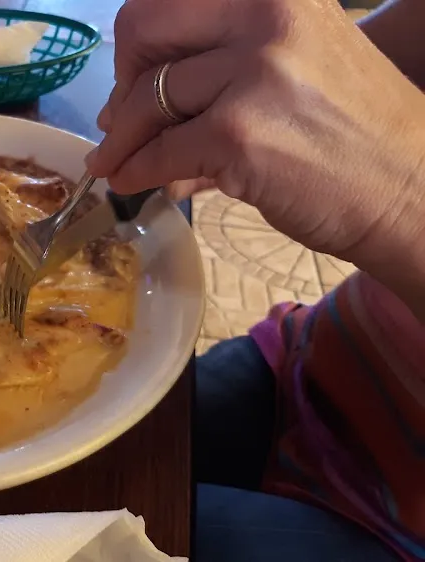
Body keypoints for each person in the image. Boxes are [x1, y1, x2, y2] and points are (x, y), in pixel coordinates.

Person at [84, 0, 425, 559]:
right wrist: (276, 78)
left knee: (71, 531)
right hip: (314, 360)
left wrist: (407, 194)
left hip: (394, 531)